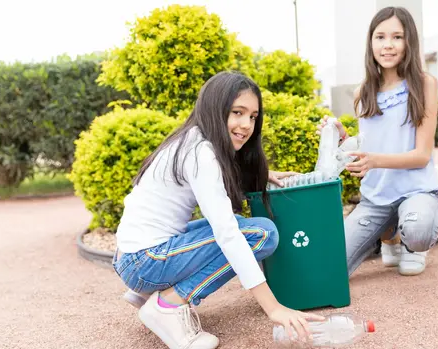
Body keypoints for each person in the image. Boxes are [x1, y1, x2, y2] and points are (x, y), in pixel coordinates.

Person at [112, 71, 324, 349]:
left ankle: (147, 292)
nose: (246, 125)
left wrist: (265, 173)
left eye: (253, 116)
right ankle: (167, 304)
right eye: (238, 112)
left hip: (134, 254)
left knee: (240, 225)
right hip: (145, 260)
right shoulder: (201, 153)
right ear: (215, 107)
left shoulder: (191, 140)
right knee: (260, 234)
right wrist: (274, 308)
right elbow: (227, 234)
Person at [318, 6, 438, 277]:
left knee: (419, 228)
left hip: (416, 191)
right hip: (376, 198)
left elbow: (421, 155)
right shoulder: (362, 92)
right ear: (371, 42)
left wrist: (374, 161)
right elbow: (370, 145)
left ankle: (413, 246)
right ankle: (390, 237)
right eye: (380, 37)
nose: (388, 45)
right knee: (332, 263)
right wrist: (341, 137)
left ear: (409, 41)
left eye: (397, 37)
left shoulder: (424, 84)